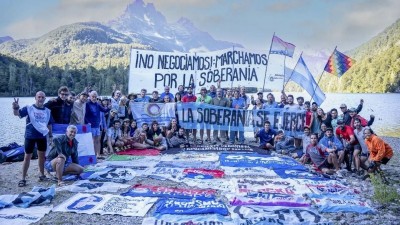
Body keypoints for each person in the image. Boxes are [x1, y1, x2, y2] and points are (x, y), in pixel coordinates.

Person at [12, 91, 54, 187]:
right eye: (39, 97)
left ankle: (42, 174)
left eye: (42, 97)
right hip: (30, 136)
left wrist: (50, 135)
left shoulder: (47, 111)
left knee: (42, 157)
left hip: (42, 136)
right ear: (35, 98)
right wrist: (15, 107)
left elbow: (49, 124)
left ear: (45, 98)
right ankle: (23, 178)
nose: (40, 98)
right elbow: (17, 114)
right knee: (27, 157)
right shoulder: (29, 108)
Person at [85, 91, 111, 159]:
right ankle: (93, 155)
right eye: (92, 97)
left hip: (97, 125)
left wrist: (109, 107)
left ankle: (98, 154)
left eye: (95, 97)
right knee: (93, 141)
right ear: (90, 97)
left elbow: (104, 110)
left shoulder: (97, 104)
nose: (94, 98)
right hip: (91, 125)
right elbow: (85, 115)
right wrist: (87, 122)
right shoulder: (87, 104)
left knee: (98, 140)